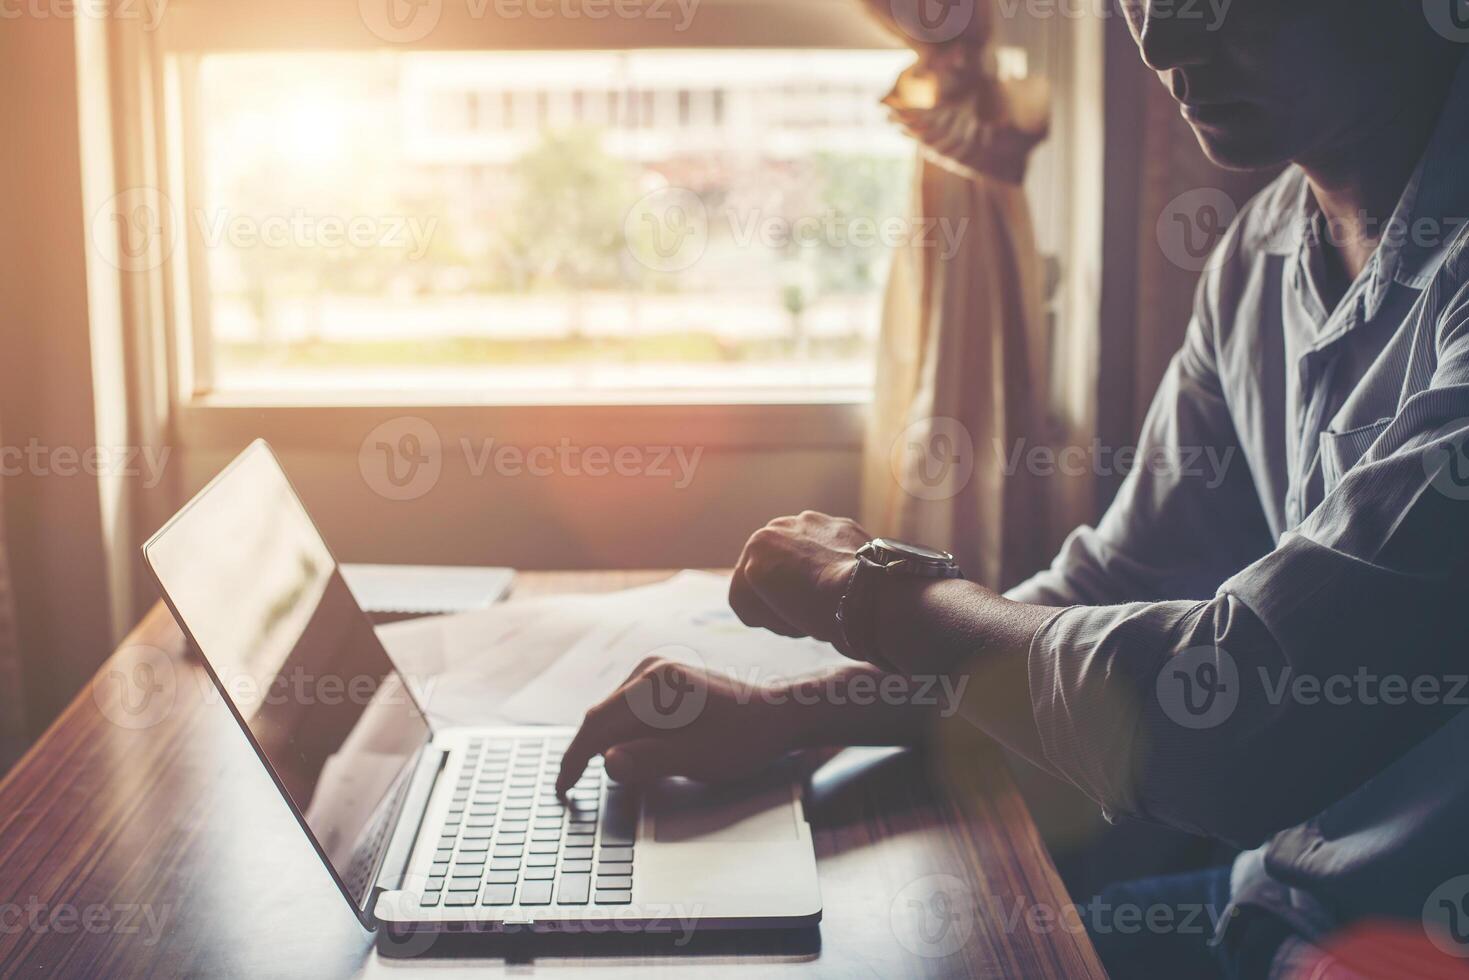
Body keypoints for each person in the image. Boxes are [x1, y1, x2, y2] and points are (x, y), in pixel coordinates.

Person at [557, 3, 1469, 975]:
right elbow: (1110, 584)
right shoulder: (1261, 250)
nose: (1156, 39)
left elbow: (1231, 732)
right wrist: (792, 712)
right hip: (1271, 904)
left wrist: (866, 591)